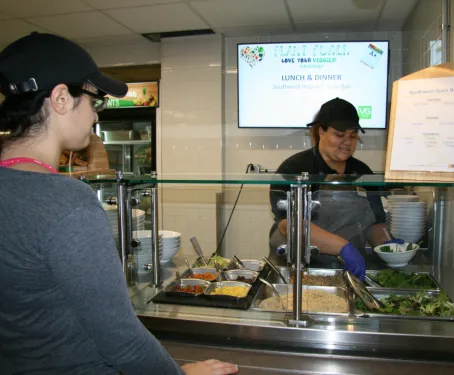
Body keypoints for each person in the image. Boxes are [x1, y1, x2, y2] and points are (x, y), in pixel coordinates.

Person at [0, 33, 238, 375]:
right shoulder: (69, 205)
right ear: (62, 99)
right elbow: (122, 341)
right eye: (94, 101)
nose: (96, 116)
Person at [269, 97, 401, 281]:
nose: (347, 142)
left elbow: (375, 222)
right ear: (320, 131)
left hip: (349, 271)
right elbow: (289, 225)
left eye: (353, 135)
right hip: (299, 271)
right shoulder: (293, 169)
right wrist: (343, 247)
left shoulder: (362, 173)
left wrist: (388, 246)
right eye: (339, 135)